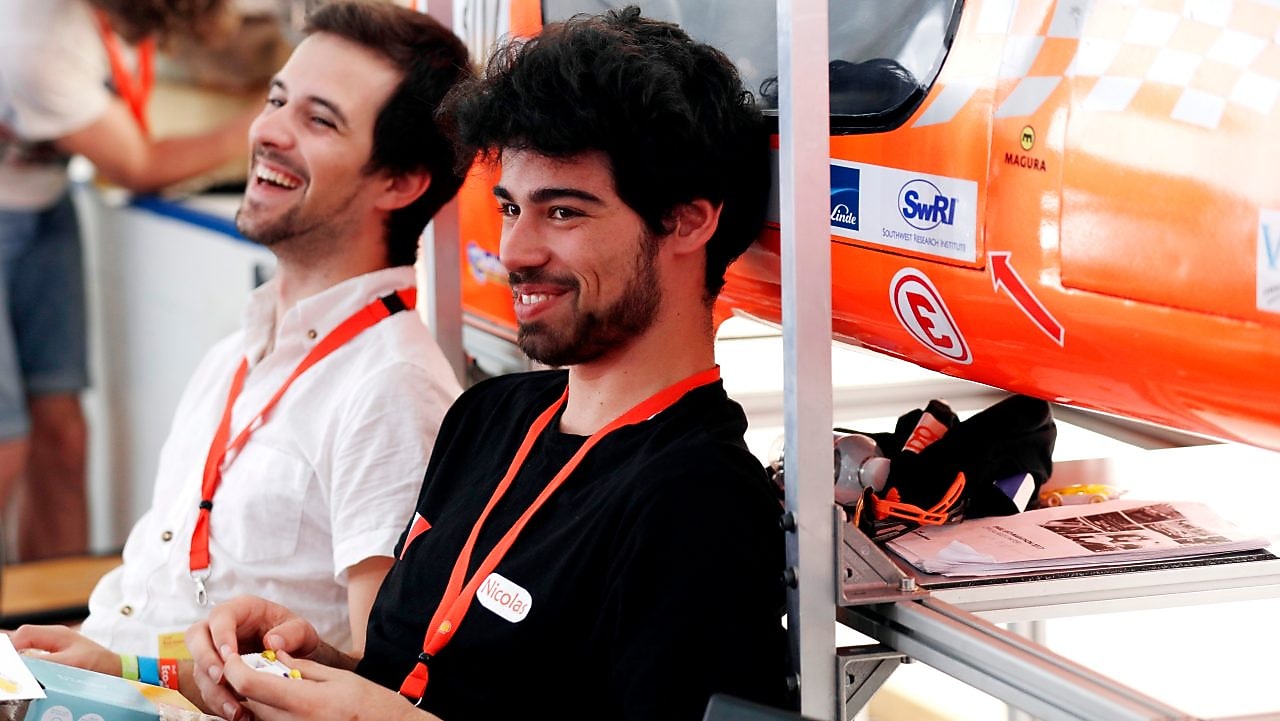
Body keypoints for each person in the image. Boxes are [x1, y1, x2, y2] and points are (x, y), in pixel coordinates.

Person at [183, 7, 793, 721]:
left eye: (563, 213)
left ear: (687, 220)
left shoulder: (699, 500)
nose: (515, 251)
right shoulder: (488, 415)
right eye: (510, 208)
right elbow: (420, 684)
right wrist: (311, 667)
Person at [11, 0, 469, 684]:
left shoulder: (393, 388)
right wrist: (66, 660)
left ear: (399, 183)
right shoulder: (236, 353)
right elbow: (147, 604)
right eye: (276, 100)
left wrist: (123, 669)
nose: (268, 131)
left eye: (319, 120)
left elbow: (374, 687)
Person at [0, 0, 256, 562]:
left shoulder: (85, 21)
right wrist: (267, 121)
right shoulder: (34, 40)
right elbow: (136, 164)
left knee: (64, 437)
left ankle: (60, 608)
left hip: (44, 205)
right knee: (5, 449)